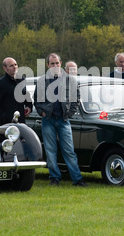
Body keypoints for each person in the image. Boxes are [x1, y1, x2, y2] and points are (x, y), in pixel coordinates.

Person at [34, 53, 86, 187]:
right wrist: (42, 112)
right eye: (52, 64)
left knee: (69, 151)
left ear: (61, 64)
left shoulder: (71, 80)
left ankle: (77, 179)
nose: (55, 66)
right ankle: (54, 178)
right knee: (50, 150)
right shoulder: (41, 81)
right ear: (48, 65)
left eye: (57, 63)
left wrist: (69, 113)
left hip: (63, 120)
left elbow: (76, 99)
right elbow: (37, 101)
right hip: (48, 120)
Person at [0, 57, 32, 125]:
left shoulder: (22, 80)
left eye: (15, 64)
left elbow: (26, 96)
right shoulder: (0, 84)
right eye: (11, 66)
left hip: (21, 122)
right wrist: (3, 117)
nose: (14, 67)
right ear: (5, 68)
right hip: (6, 124)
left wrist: (29, 106)